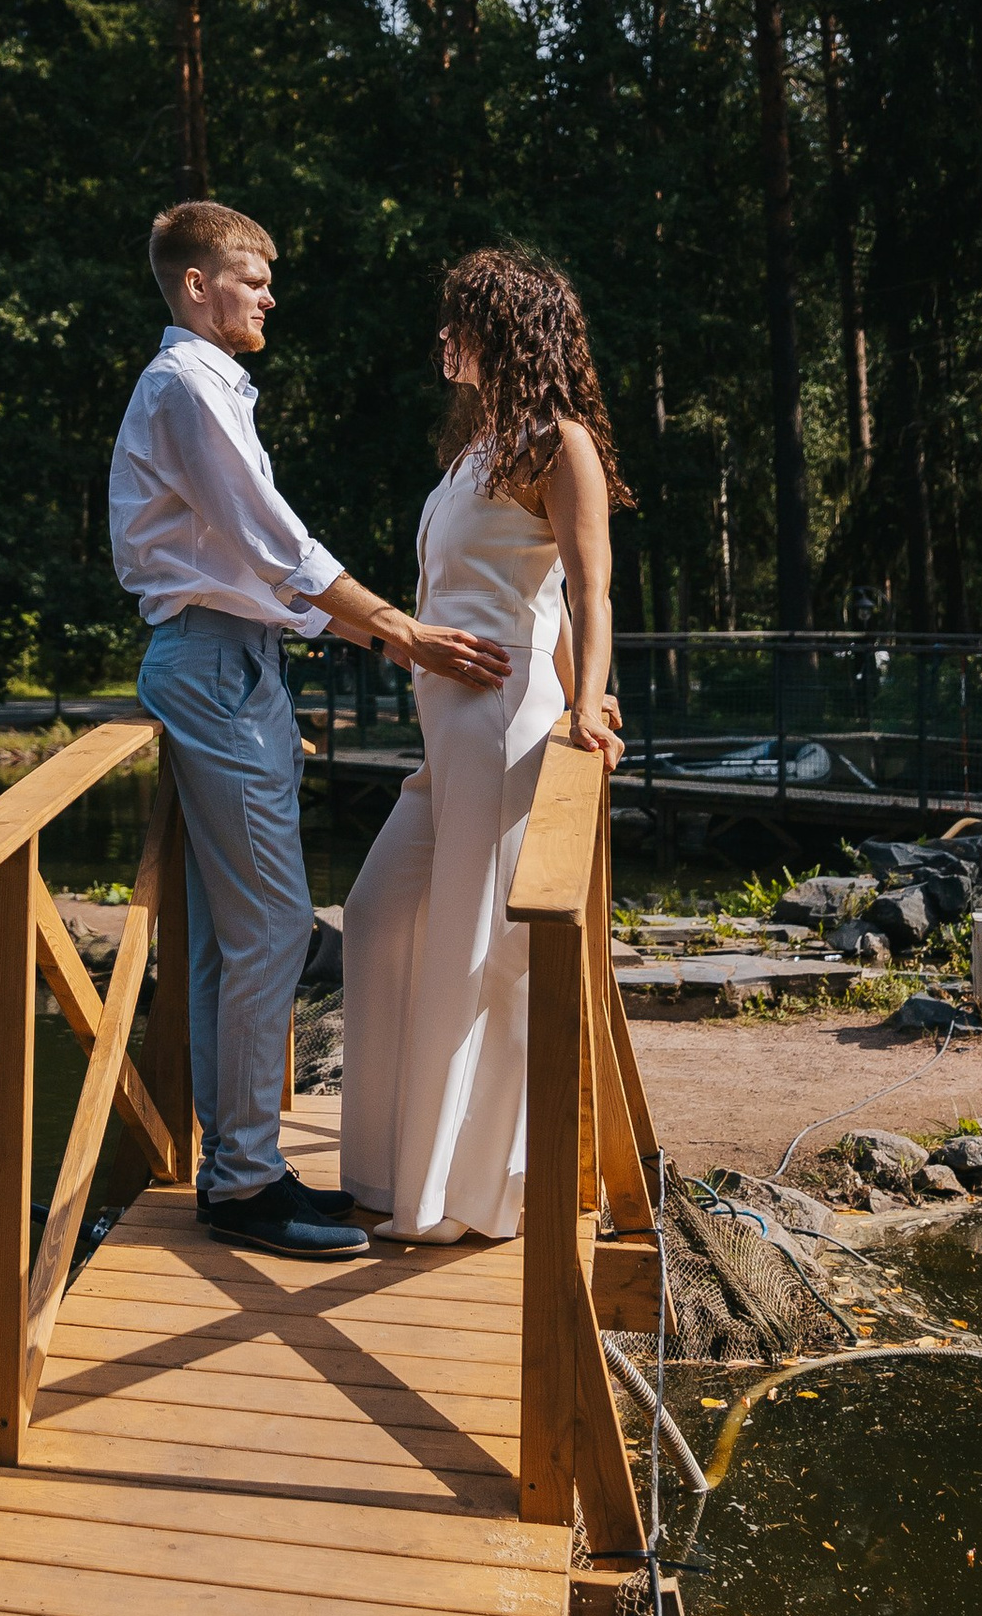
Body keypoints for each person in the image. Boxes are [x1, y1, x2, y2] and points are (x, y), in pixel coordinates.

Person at [107, 201, 511, 1263]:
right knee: (276, 927)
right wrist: (400, 628)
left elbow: (256, 567)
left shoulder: (204, 390)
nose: (270, 294)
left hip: (229, 658)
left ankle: (241, 1166)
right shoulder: (187, 388)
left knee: (226, 934)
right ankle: (242, 1184)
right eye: (252, 276)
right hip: (213, 663)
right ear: (197, 285)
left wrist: (374, 639)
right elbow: (275, 543)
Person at [338, 244, 630, 1246]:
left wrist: (586, 705)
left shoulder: (561, 443)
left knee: (477, 951)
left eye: (456, 321)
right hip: (443, 722)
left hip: (506, 718)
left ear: (501, 329)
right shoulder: (477, 447)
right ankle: (384, 1171)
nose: (441, 340)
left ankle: (468, 1196)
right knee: (376, 917)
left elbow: (587, 589)